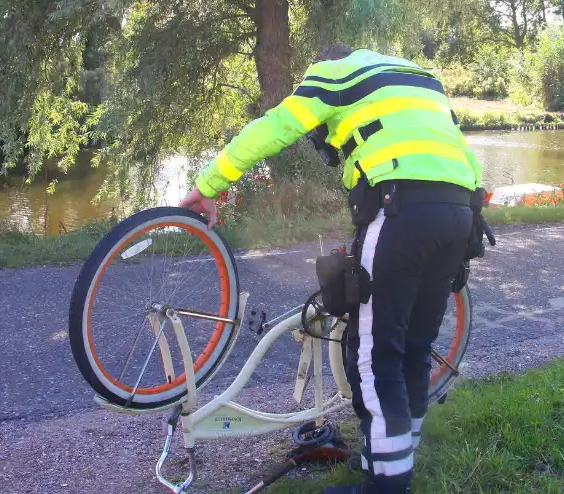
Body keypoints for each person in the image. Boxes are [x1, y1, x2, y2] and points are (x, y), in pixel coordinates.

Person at [179, 44, 482, 494]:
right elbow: (458, 150)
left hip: (399, 208)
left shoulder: (335, 73)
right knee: (416, 350)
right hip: (460, 212)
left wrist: (210, 184)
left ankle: (386, 487)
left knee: (377, 359)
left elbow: (275, 127)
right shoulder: (421, 77)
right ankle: (392, 460)